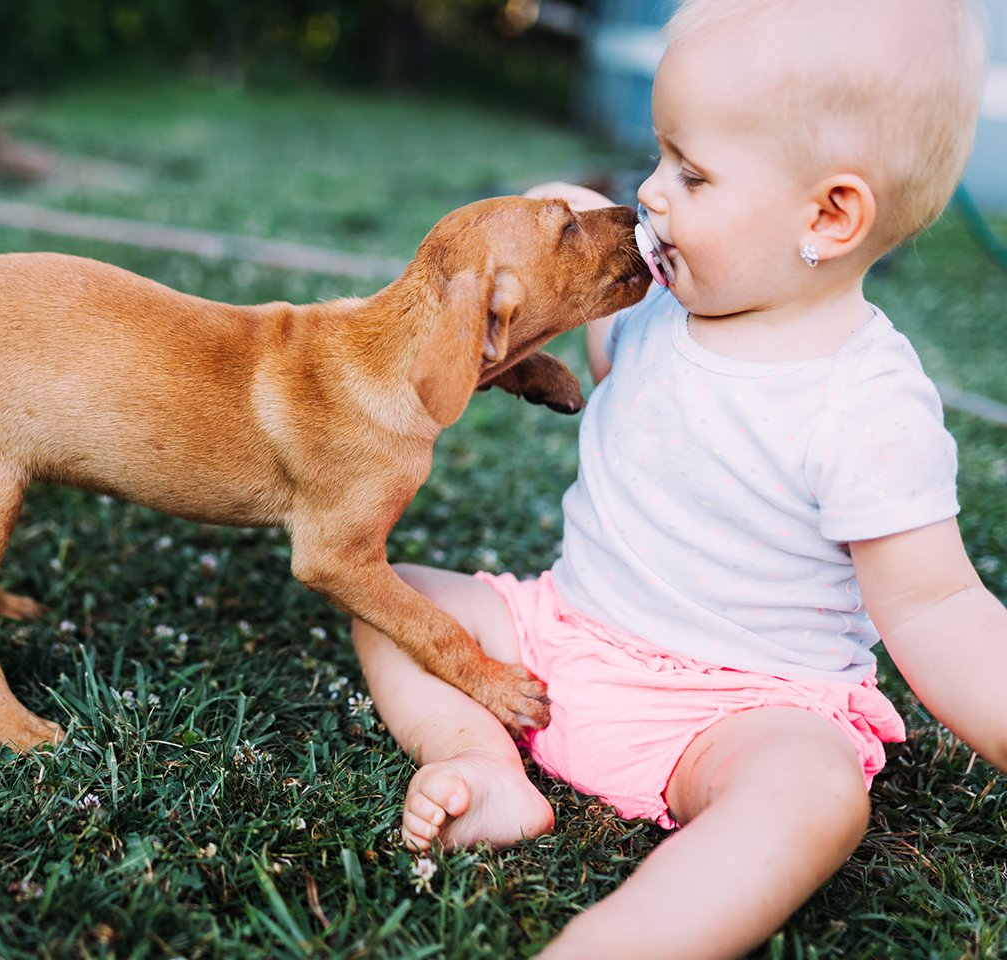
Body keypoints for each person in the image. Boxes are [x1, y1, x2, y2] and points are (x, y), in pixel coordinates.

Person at [351, 1, 1002, 956]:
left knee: (811, 795)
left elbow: (942, 610)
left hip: (742, 709)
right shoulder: (659, 305)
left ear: (829, 214)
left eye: (690, 173)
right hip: (560, 637)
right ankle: (479, 760)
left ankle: (624, 941)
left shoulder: (866, 405)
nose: (651, 195)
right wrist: (548, 214)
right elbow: (563, 220)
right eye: (658, 157)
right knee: (388, 599)